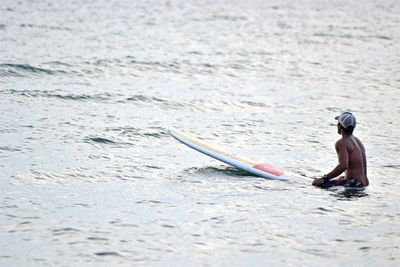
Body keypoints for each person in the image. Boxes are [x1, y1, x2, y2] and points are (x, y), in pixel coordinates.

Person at [312, 112, 369, 188]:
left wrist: (324, 179)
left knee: (317, 185)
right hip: (364, 183)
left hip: (354, 184)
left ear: (340, 126)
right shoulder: (358, 142)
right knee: (337, 179)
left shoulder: (342, 142)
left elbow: (343, 165)